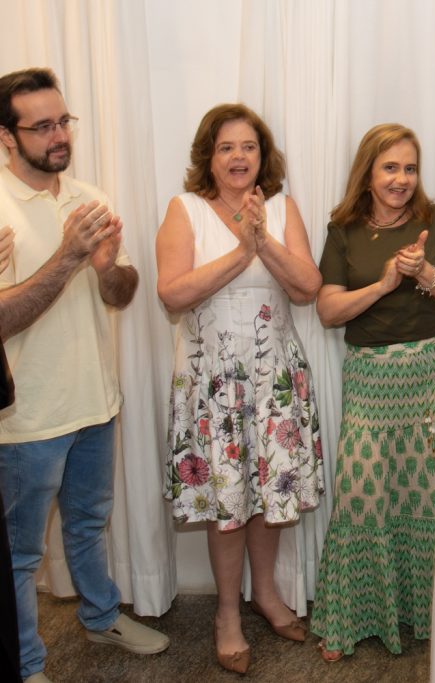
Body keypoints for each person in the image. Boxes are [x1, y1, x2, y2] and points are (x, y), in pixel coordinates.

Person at [0, 67, 167, 683]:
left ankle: (101, 616)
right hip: (26, 417)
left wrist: (101, 267)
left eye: (62, 120)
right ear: (6, 137)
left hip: (96, 401)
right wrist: (66, 257)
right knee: (20, 555)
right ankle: (26, 662)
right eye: (40, 126)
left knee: (91, 523)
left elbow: (121, 294)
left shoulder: (89, 195)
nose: (57, 135)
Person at [156, 103, 324, 674]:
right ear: (209, 155)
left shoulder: (280, 207)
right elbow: (173, 295)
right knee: (227, 502)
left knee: (269, 495)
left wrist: (264, 241)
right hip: (212, 384)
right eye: (226, 147)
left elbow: (307, 288)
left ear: (262, 155)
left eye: (248, 146)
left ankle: (269, 595)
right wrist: (241, 252)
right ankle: (227, 613)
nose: (238, 157)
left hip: (273, 377)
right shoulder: (185, 210)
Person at [311, 123, 435, 660]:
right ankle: (355, 616)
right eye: (390, 168)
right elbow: (328, 310)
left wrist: (423, 271)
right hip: (371, 380)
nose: (402, 179)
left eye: (409, 168)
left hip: (433, 375)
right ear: (368, 171)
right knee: (363, 495)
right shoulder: (343, 229)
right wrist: (383, 285)